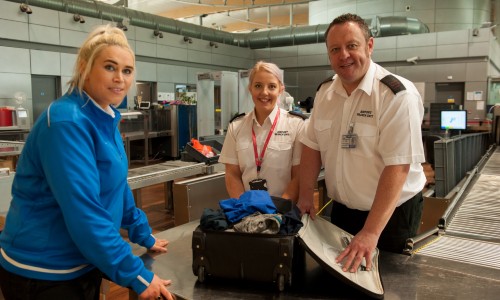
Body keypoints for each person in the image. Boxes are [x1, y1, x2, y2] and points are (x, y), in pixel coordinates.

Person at [0, 25, 174, 300]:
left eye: (127, 71)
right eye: (109, 67)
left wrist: (143, 233)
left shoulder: (104, 117)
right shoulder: (66, 122)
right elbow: (84, 212)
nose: (120, 78)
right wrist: (136, 274)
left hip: (80, 260)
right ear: (85, 67)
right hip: (42, 271)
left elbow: (117, 187)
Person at [297, 13, 426, 273]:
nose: (343, 55)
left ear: (369, 45)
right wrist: (304, 196)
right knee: (342, 279)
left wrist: (370, 231)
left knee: (386, 282)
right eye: (335, 49)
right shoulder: (325, 93)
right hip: (343, 210)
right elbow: (312, 145)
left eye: (351, 45)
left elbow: (398, 167)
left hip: (391, 215)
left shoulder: (396, 95)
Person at [219, 61, 306, 202]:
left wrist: (278, 211)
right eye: (258, 86)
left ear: (280, 90)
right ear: (250, 89)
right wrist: (245, 207)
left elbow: (298, 175)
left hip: (283, 210)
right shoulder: (236, 126)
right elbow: (232, 174)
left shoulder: (295, 125)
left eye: (272, 86)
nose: (264, 92)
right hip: (247, 211)